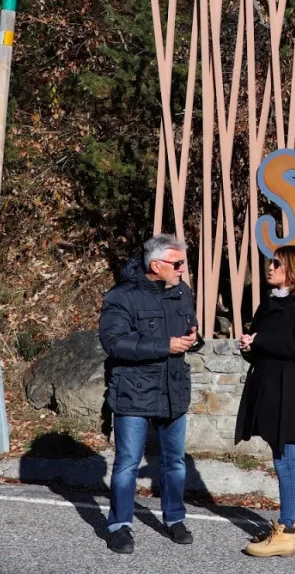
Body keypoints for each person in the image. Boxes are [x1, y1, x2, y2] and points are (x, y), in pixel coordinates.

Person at [99, 234, 199, 554]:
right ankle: (119, 526)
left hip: (173, 390)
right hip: (134, 392)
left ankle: (175, 518)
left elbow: (189, 328)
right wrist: (164, 346)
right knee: (127, 463)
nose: (183, 269)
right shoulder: (122, 297)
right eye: (177, 263)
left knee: (174, 463)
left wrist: (192, 338)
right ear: (156, 265)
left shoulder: (182, 292)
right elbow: (114, 343)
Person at [235, 245, 295, 558]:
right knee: (287, 457)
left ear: (293, 270)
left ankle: (284, 531)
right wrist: (249, 345)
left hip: (289, 392)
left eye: (276, 263)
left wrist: (261, 340)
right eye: (270, 262)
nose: (269, 267)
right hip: (268, 390)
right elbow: (262, 346)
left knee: (284, 460)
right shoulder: (268, 304)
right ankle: (293, 521)